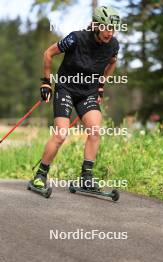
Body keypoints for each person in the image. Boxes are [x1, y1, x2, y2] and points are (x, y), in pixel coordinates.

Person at [32, 6, 120, 190]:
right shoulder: (76, 38)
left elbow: (112, 62)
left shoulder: (113, 45)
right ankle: (40, 174)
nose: (109, 32)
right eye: (105, 27)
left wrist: (101, 85)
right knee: (61, 133)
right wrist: (46, 82)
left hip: (88, 92)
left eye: (112, 28)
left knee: (95, 130)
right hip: (66, 88)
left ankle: (86, 177)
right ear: (96, 25)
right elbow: (48, 53)